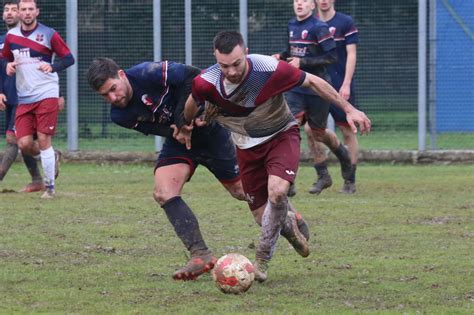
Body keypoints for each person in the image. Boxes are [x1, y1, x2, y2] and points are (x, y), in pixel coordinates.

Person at [86, 57, 311, 281]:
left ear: (122, 75)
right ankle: (200, 254)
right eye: (105, 95)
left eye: (113, 89)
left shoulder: (148, 72)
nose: (113, 98)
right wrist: (178, 129)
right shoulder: (119, 115)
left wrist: (188, 117)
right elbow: (156, 127)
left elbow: (193, 75)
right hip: (181, 142)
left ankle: (291, 216)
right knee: (163, 192)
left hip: (211, 133)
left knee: (243, 192)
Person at [176, 31, 371, 282]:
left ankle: (261, 260)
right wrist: (186, 122)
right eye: (225, 66)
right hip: (245, 147)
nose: (232, 72)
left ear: (245, 53)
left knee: (278, 192)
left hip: (281, 135)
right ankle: (289, 227)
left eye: (236, 64)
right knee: (261, 216)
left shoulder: (268, 68)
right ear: (216, 60)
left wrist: (349, 108)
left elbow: (312, 82)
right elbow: (193, 101)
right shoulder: (207, 81)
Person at [273, 0, 352, 197]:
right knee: (289, 127)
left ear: (312, 6)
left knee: (316, 133)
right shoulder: (291, 25)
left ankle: (343, 160)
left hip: (317, 88)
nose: (299, 4)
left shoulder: (319, 27)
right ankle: (288, 180)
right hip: (295, 87)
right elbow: (290, 53)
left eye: (304, 1)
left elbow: (331, 57)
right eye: (296, 1)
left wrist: (303, 62)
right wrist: (280, 57)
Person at [2, 0, 74, 198]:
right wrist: (9, 65)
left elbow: (69, 58)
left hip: (46, 93)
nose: (26, 13)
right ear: (19, 13)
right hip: (24, 96)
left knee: (43, 139)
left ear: (37, 12)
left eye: (30, 9)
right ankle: (52, 157)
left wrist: (52, 67)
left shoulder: (49, 34)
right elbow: (7, 57)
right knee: (23, 143)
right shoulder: (11, 36)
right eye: (23, 9)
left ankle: (49, 188)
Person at [305, 0, 360, 194]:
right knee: (311, 130)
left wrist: (346, 83)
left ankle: (350, 180)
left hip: (339, 84)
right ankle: (323, 175)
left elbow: (351, 54)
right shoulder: (308, 23)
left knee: (347, 130)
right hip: (315, 87)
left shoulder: (345, 22)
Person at [0, 0, 44, 192]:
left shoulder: (32, 38)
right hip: (9, 97)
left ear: (21, 14)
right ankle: (37, 178)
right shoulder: (3, 39)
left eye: (13, 10)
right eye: (6, 10)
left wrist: (56, 94)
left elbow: (44, 66)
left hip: (26, 96)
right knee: (23, 141)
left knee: (12, 140)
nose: (9, 13)